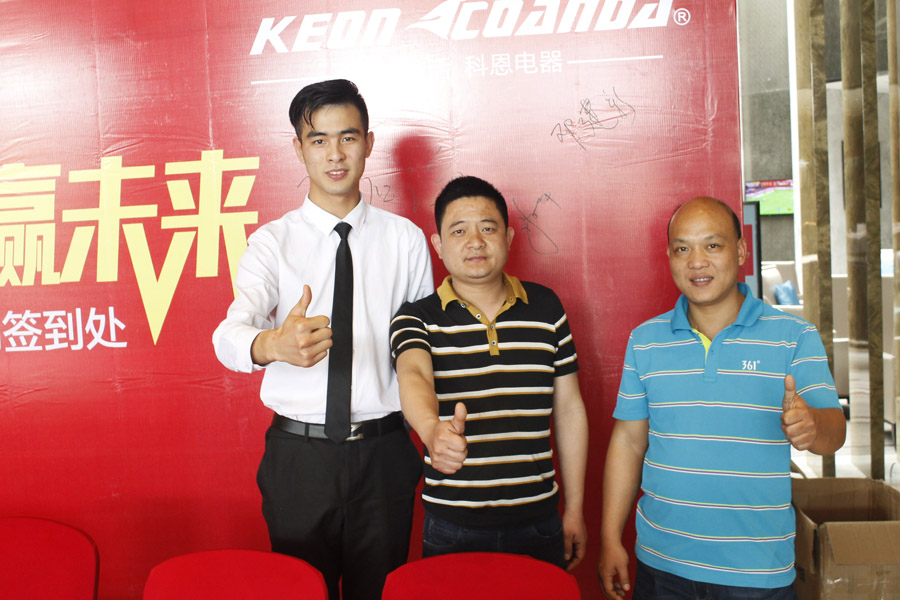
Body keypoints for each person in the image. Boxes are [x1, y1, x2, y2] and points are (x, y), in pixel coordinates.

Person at [212, 79, 433, 600]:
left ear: (369, 143)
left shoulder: (404, 240)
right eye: (319, 140)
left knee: (380, 592)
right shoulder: (272, 242)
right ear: (298, 148)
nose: (335, 154)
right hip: (299, 458)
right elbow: (228, 335)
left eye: (348, 137)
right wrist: (274, 345)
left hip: (384, 453)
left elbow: (422, 349)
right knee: (300, 591)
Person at [597, 197, 846, 600]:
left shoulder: (794, 336)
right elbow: (628, 443)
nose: (697, 261)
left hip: (757, 572)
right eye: (682, 248)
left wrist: (812, 426)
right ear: (670, 256)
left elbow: (834, 433)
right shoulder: (645, 341)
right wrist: (610, 538)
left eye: (712, 245)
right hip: (661, 565)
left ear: (741, 250)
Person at [389, 176, 589, 571]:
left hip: (540, 520)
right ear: (438, 245)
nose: (475, 242)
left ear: (509, 237)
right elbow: (413, 376)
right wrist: (431, 430)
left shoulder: (546, 308)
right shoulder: (416, 317)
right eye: (459, 230)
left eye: (487, 228)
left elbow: (569, 409)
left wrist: (575, 509)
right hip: (452, 526)